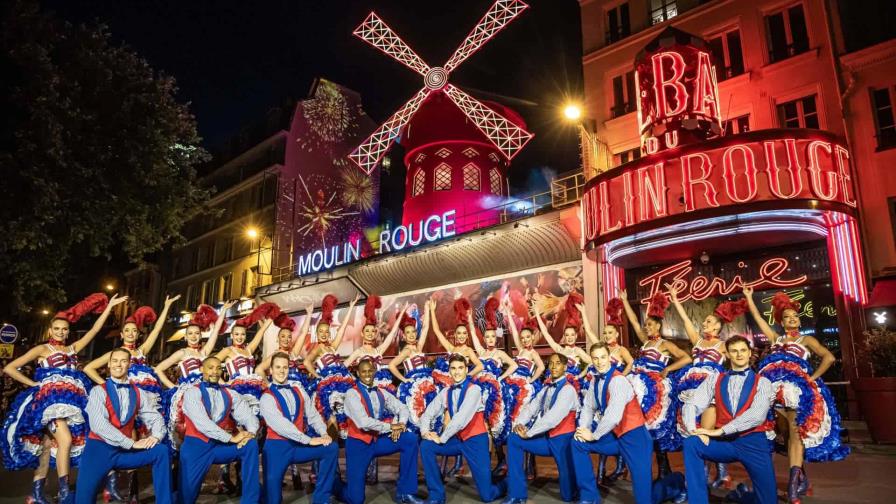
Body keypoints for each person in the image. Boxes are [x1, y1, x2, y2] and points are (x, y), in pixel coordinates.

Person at [3, 292, 127, 504]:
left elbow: (95, 330)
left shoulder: (72, 348)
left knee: (47, 446)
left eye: (64, 329)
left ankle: (35, 494)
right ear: (50, 330)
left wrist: (110, 307)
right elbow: (9, 367)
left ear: (69, 331)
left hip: (74, 403)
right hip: (50, 405)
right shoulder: (43, 349)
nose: (61, 332)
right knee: (66, 440)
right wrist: (33, 384)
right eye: (57, 328)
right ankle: (63, 491)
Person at [744, 287, 849, 503]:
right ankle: (801, 477)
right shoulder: (775, 338)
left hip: (794, 389)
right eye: (787, 317)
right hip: (770, 388)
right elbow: (757, 317)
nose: (791, 319)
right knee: (783, 433)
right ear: (781, 322)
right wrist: (748, 298)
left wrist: (812, 377)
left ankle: (792, 486)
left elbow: (828, 358)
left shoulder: (806, 341)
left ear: (799, 321)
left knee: (794, 432)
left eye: (795, 316)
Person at [682, 335, 777, 504]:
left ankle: (742, 494)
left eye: (742, 350)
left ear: (750, 354)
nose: (739, 354)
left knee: (769, 500)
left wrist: (719, 431)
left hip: (753, 442)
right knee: (692, 442)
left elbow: (757, 415)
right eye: (734, 351)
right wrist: (693, 429)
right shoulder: (715, 379)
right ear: (727, 355)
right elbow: (692, 404)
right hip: (725, 443)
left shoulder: (763, 383)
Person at [668, 288, 747, 488]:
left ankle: (703, 479)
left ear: (719, 326)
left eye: (709, 321)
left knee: (707, 431)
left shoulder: (723, 346)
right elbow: (686, 321)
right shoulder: (697, 341)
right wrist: (676, 299)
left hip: (711, 390)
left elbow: (739, 360)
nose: (705, 323)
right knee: (693, 431)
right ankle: (718, 473)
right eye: (705, 321)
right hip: (691, 389)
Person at [74, 348, 172, 504]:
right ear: (109, 365)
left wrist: (156, 436)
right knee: (83, 500)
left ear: (129, 365)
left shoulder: (139, 392)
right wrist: (132, 443)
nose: (118, 365)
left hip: (123, 452)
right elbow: (99, 426)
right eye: (114, 361)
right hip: (99, 451)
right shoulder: (98, 391)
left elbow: (155, 417)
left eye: (123, 361)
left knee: (161, 451)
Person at [572, 342, 655, 504]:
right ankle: (589, 497)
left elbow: (613, 416)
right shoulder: (595, 381)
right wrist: (583, 429)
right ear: (591, 360)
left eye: (603, 357)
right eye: (595, 358)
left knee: (645, 500)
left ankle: (674, 483)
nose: (599, 362)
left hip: (635, 438)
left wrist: (594, 435)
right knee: (577, 442)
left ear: (609, 357)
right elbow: (588, 407)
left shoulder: (618, 381)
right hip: (615, 437)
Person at [619, 290, 691, 475]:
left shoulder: (665, 345)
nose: (646, 327)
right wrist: (625, 301)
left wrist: (668, 369)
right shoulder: (645, 342)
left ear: (658, 326)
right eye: (646, 325)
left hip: (652, 385)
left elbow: (686, 358)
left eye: (650, 324)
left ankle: (663, 469)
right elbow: (634, 322)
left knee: (654, 426)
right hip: (638, 380)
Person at [419, 354, 507, 504]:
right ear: (449, 371)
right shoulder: (446, 392)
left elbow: (460, 419)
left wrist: (441, 438)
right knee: (426, 446)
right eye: (453, 368)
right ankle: (436, 495)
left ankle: (507, 483)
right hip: (456, 440)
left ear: (466, 370)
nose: (457, 372)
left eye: (460, 368)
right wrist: (425, 432)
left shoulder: (475, 390)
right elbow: (429, 412)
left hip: (475, 441)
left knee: (487, 496)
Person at [214, 302, 278, 494]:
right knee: (236, 430)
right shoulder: (227, 352)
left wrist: (270, 315)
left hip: (254, 392)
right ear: (231, 336)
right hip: (237, 392)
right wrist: (222, 383)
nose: (240, 337)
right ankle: (225, 477)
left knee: (252, 432)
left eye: (242, 334)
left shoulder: (249, 349)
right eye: (237, 334)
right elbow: (210, 365)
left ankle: (242, 476)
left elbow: (262, 330)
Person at [259, 352, 339, 504]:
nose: (282, 371)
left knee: (331, 448)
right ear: (270, 370)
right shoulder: (266, 397)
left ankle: (321, 499)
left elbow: (313, 414)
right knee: (272, 500)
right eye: (278, 367)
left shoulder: (299, 390)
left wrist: (324, 433)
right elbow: (282, 426)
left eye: (285, 367)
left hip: (298, 447)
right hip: (277, 448)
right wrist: (309, 440)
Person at [178, 356, 260, 504]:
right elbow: (202, 423)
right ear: (202, 369)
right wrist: (231, 438)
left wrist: (251, 433)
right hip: (197, 448)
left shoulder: (230, 393)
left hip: (220, 447)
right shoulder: (191, 392)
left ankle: (250, 500)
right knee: (185, 498)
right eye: (210, 367)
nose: (215, 372)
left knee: (250, 445)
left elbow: (248, 416)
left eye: (218, 368)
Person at [343, 359, 423, 504]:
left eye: (370, 371)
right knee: (356, 499)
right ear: (358, 373)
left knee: (409, 439)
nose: (367, 374)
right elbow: (364, 422)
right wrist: (391, 427)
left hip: (378, 442)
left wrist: (401, 424)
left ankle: (405, 493)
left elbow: (402, 408)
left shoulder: (381, 391)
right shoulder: (351, 394)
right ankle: (336, 486)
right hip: (359, 445)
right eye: (364, 371)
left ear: (374, 372)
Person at [502, 353, 579, 504]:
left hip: (563, 441)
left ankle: (575, 489)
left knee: (568, 496)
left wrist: (529, 433)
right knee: (514, 439)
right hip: (546, 439)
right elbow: (531, 408)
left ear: (565, 367)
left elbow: (552, 419)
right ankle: (516, 494)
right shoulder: (546, 388)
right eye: (551, 363)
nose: (554, 366)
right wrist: (519, 424)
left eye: (558, 363)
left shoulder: (568, 390)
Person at [154, 302, 232, 449]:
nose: (194, 336)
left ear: (201, 335)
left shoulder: (204, 353)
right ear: (185, 337)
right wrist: (174, 387)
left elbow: (214, 334)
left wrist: (223, 312)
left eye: (197, 333)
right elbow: (158, 369)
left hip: (206, 390)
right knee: (187, 428)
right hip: (188, 394)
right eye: (190, 333)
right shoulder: (182, 353)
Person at [582, 298, 634, 484]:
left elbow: (631, 363)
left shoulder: (621, 350)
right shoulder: (601, 350)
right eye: (604, 332)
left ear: (617, 334)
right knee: (600, 425)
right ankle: (601, 470)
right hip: (601, 392)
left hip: (617, 391)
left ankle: (620, 467)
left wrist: (622, 377)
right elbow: (588, 332)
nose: (606, 335)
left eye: (610, 332)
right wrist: (583, 313)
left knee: (616, 427)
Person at [499, 300, 544, 479]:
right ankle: (516, 465)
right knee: (512, 423)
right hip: (513, 388)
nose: (525, 340)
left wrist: (530, 381)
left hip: (523, 388)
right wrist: (509, 313)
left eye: (528, 337)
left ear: (533, 338)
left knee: (525, 423)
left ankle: (530, 465)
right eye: (523, 337)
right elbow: (514, 332)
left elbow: (541, 367)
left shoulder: (533, 353)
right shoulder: (520, 350)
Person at [305, 293, 360, 436]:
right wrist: (318, 375)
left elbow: (342, 329)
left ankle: (343, 434)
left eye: (326, 332)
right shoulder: (317, 348)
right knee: (331, 410)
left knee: (348, 408)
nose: (324, 334)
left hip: (342, 379)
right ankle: (332, 435)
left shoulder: (332, 347)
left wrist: (351, 308)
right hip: (328, 384)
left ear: (329, 333)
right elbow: (306, 362)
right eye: (321, 331)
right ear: (316, 333)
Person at [388, 299, 437, 431]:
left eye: (413, 332)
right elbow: (392, 365)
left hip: (426, 384)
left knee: (429, 415)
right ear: (404, 336)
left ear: (416, 333)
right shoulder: (407, 350)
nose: (411, 335)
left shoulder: (418, 347)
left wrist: (427, 308)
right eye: (408, 332)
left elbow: (426, 327)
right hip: (414, 388)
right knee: (416, 417)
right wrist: (404, 380)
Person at [344, 295, 407, 391]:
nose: (370, 334)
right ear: (362, 333)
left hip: (380, 386)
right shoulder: (358, 352)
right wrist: (354, 380)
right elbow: (343, 367)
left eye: (373, 331)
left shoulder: (378, 350)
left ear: (375, 333)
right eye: (367, 331)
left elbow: (392, 334)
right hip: (364, 387)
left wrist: (402, 313)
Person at [535, 293, 590, 383]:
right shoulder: (559, 350)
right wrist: (537, 314)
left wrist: (579, 376)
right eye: (567, 335)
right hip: (557, 382)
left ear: (576, 336)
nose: (570, 337)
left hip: (572, 385)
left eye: (572, 335)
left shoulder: (578, 351)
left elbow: (592, 362)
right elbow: (545, 333)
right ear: (564, 336)